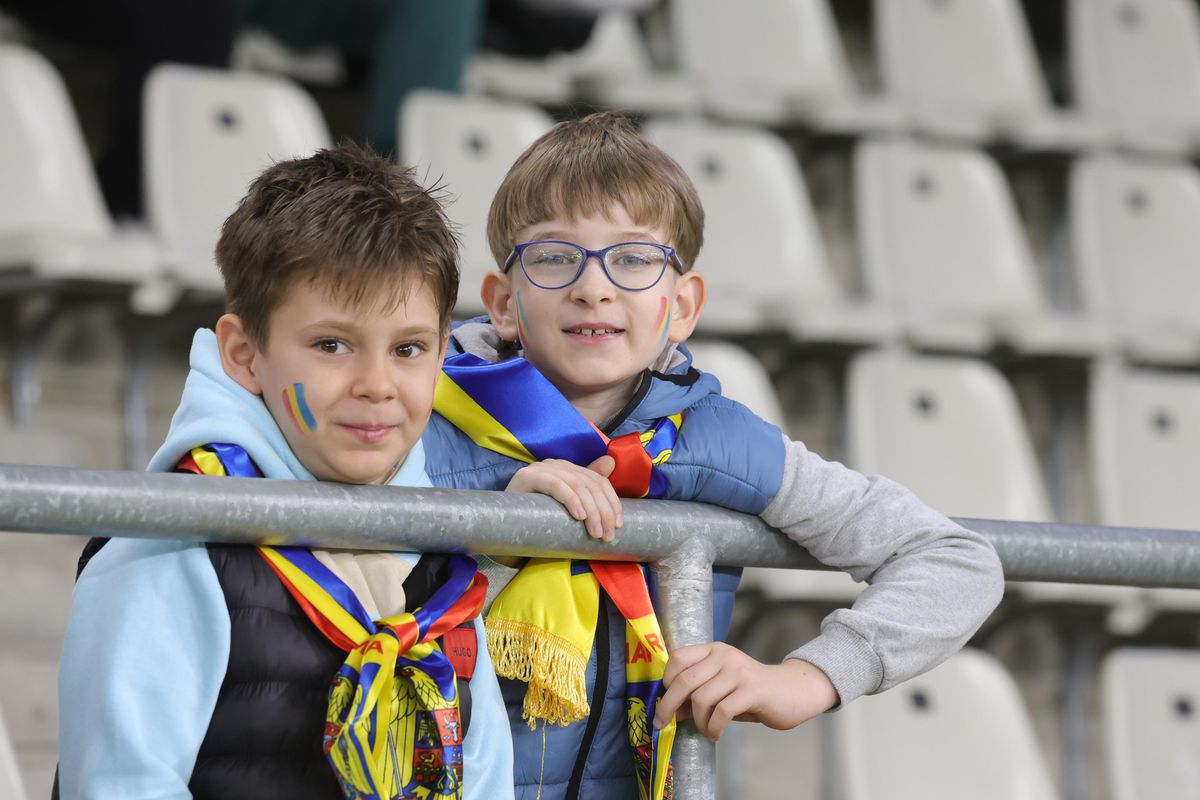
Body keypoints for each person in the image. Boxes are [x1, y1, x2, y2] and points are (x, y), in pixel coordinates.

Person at [419, 112, 1007, 799]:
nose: (594, 286)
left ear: (683, 305)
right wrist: (487, 538)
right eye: (554, 255)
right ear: (503, 304)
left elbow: (956, 561)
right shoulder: (421, 421)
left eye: (634, 258)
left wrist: (807, 678)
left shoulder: (719, 442)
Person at [56, 142, 514, 800]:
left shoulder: (442, 556)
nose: (377, 385)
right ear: (244, 355)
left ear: (443, 353)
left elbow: (487, 783)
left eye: (409, 349)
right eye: (332, 345)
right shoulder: (167, 542)